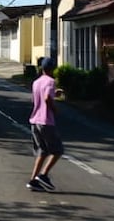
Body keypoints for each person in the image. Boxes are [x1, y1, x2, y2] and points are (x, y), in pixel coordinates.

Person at [27, 57, 63, 192]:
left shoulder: (36, 82)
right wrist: (54, 108)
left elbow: (36, 98)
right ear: (52, 68)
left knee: (42, 151)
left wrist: (54, 93)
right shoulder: (51, 81)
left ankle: (33, 180)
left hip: (35, 120)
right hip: (46, 121)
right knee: (58, 150)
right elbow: (47, 98)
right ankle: (43, 175)